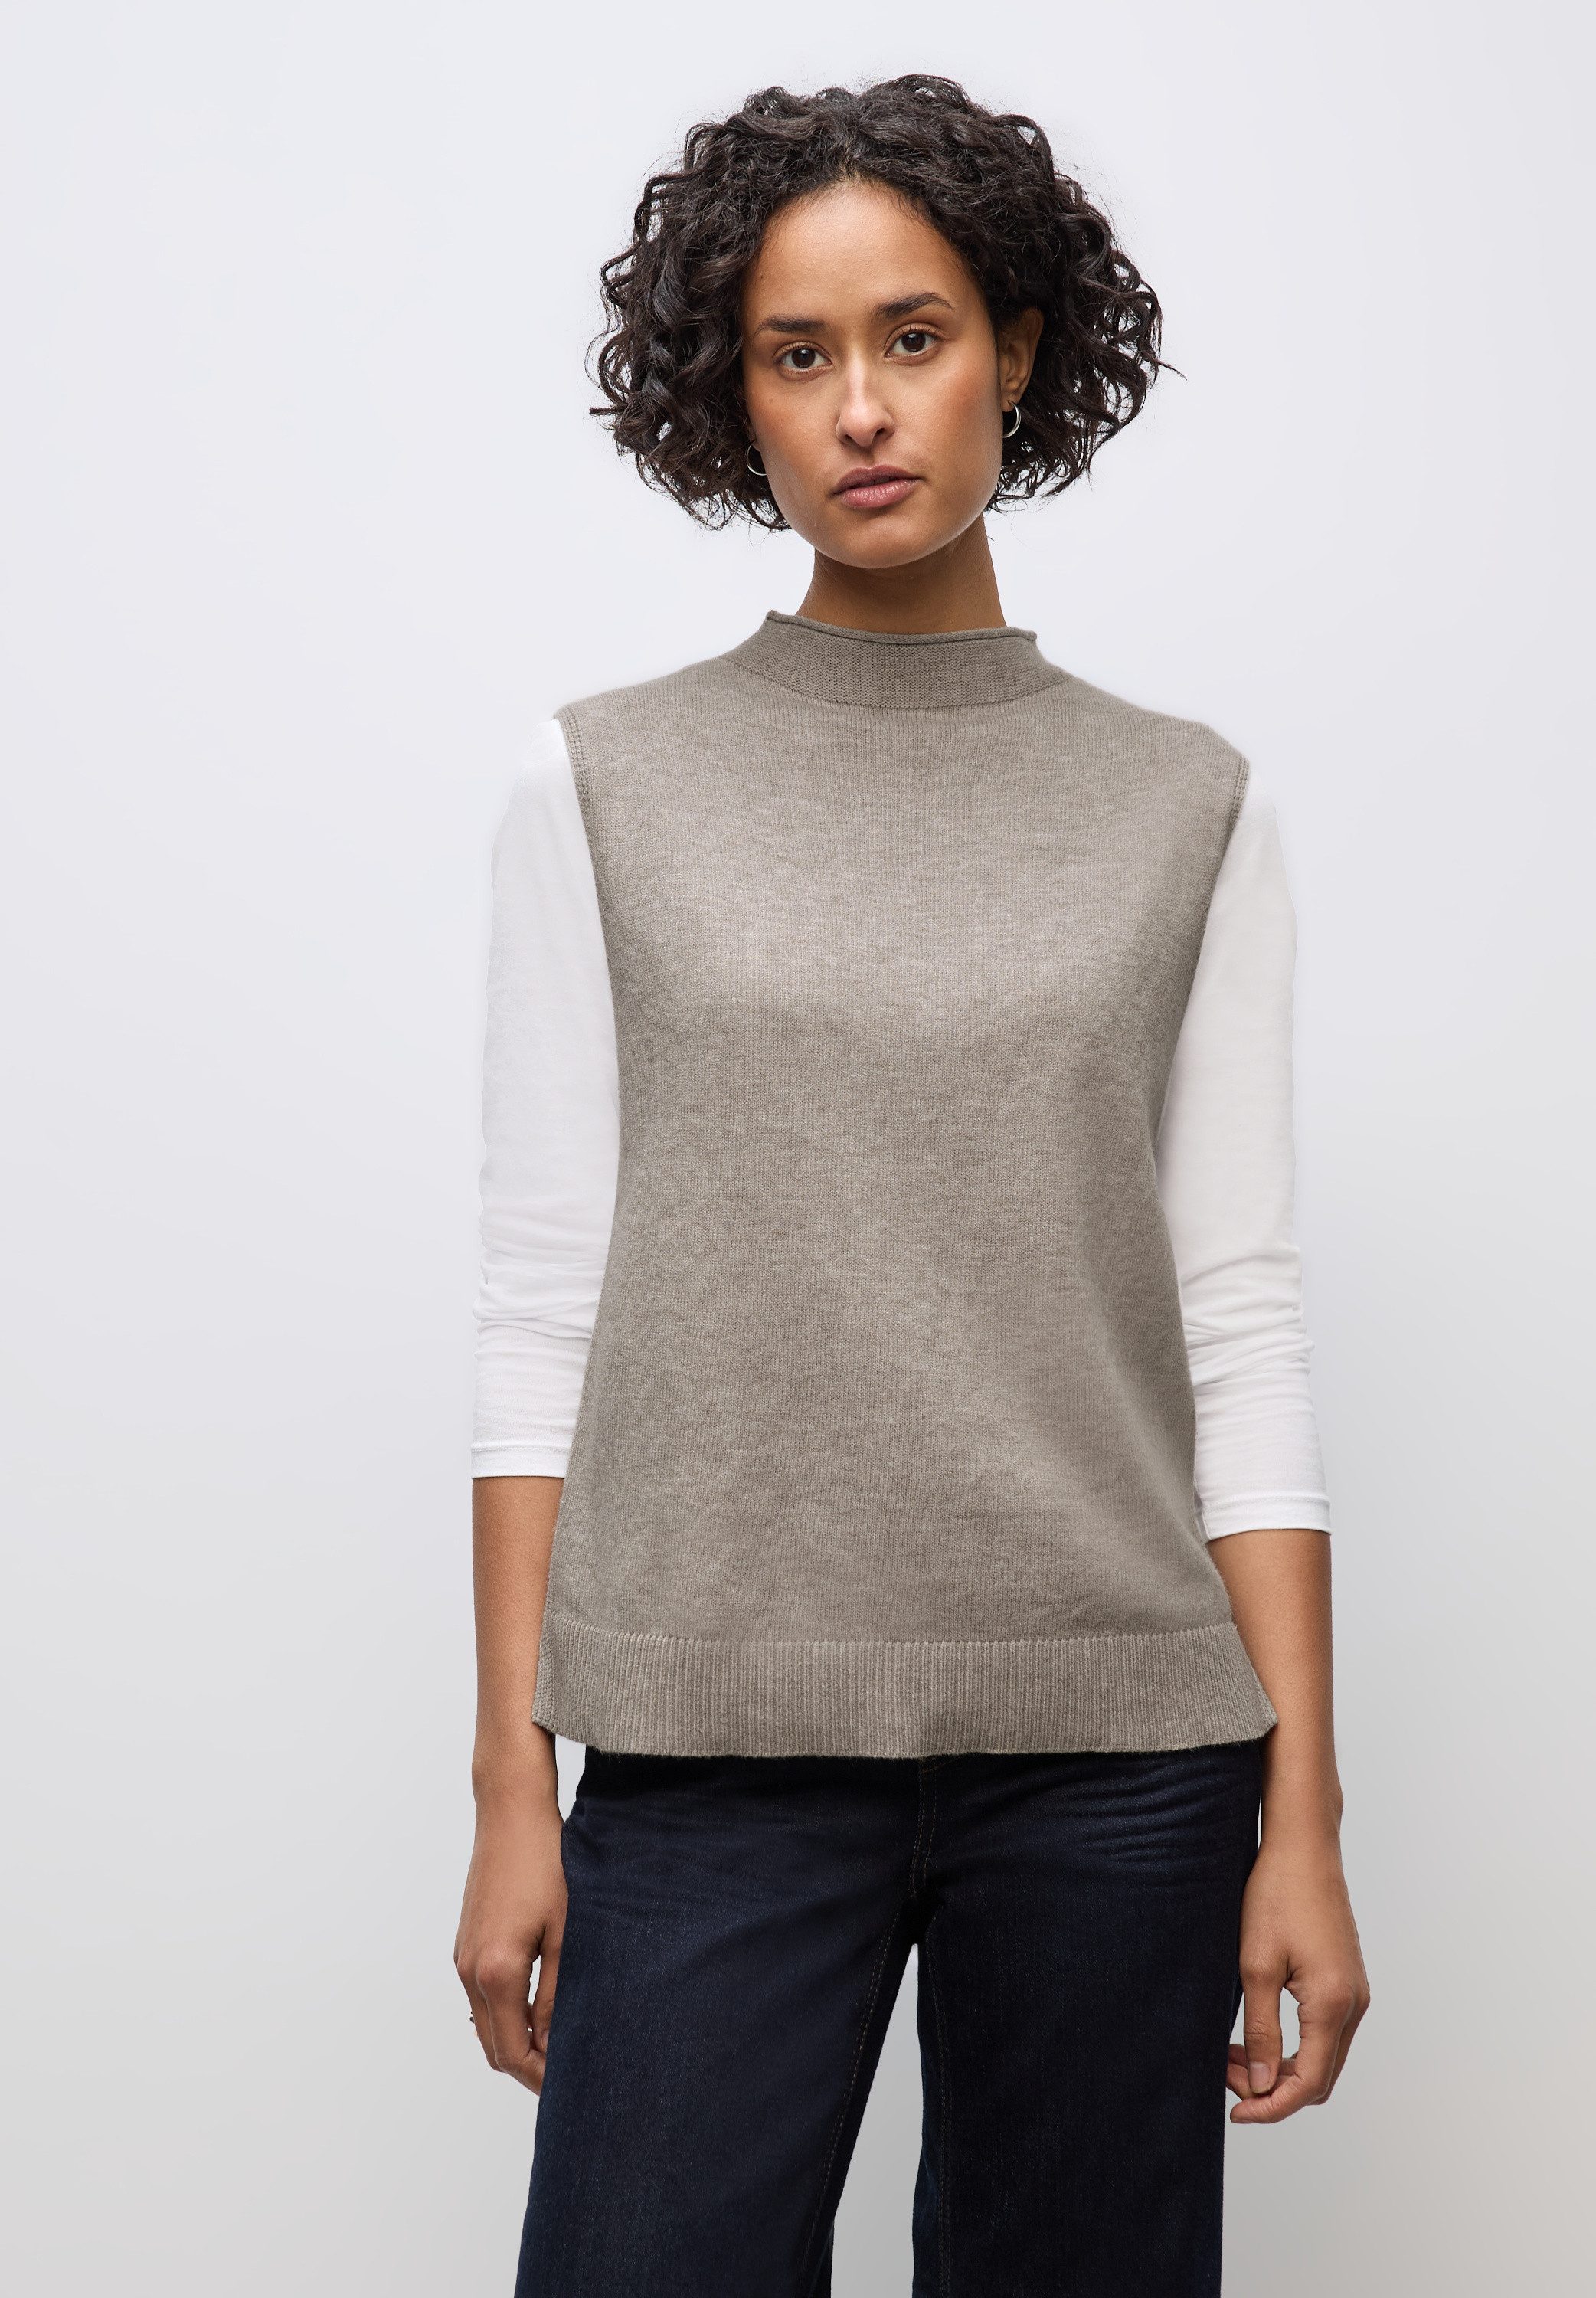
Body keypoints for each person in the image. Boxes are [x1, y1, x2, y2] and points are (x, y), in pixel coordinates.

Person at [454, 74, 1369, 2298]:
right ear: (732, 397)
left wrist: (1305, 1823)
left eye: (915, 335)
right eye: (798, 354)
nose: (860, 407)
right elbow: (545, 1305)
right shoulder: (600, 783)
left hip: (1119, 1755)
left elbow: (1234, 1319)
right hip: (707, 1743)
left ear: (1018, 353)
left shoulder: (1187, 804)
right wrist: (510, 1788)